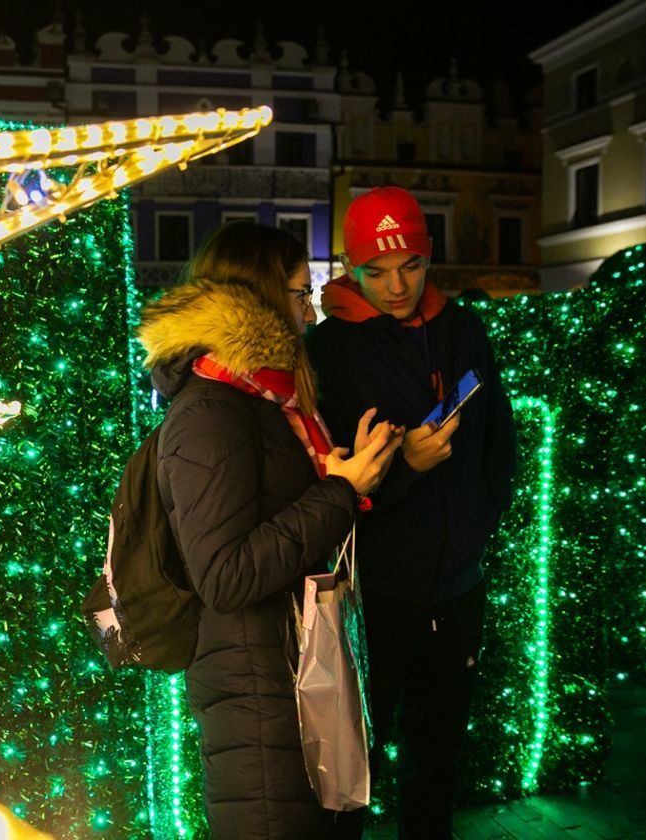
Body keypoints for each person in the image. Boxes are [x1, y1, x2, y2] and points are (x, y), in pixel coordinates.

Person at [138, 222, 401, 840]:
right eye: (298, 293)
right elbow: (225, 576)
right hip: (256, 704)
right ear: (256, 298)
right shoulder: (210, 411)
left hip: (292, 677)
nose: (310, 313)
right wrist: (342, 491)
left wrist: (340, 475)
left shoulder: (265, 399)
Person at [306, 186, 518, 838]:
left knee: (437, 763)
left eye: (412, 266)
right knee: (352, 767)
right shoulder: (328, 350)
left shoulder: (464, 328)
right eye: (376, 271)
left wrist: (481, 521)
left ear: (430, 258)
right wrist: (405, 471)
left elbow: (500, 439)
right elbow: (325, 483)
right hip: (375, 598)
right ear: (349, 264)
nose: (397, 285)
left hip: (458, 588)